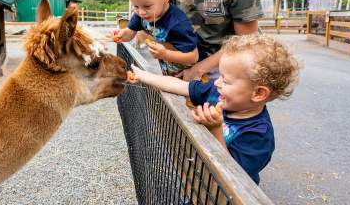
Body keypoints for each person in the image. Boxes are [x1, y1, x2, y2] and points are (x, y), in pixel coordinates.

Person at [127, 34, 299, 184]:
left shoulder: (258, 135)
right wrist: (144, 76)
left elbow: (232, 175)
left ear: (258, 93)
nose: (217, 82)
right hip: (198, 180)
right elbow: (180, 86)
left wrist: (215, 129)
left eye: (226, 80)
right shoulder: (216, 92)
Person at [113, 0, 198, 77]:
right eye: (136, 6)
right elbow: (131, 32)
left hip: (189, 76)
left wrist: (165, 54)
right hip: (168, 73)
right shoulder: (141, 15)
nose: (141, 12)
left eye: (147, 6)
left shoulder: (178, 23)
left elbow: (193, 57)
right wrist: (123, 34)